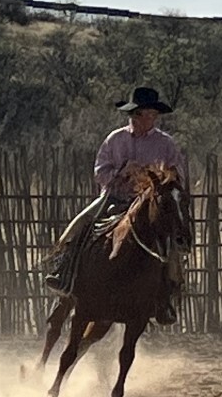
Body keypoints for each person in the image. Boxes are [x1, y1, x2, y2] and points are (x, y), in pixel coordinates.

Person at [44, 86, 189, 324]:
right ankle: (63, 275)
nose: (151, 119)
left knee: (171, 246)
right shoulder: (115, 139)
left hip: (151, 205)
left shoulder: (166, 144)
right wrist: (122, 172)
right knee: (79, 225)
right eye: (147, 114)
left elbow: (177, 176)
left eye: (154, 115)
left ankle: (165, 299)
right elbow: (100, 172)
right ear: (134, 115)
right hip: (115, 197)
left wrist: (159, 176)